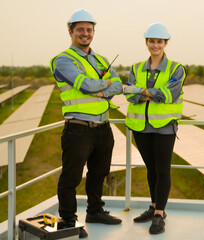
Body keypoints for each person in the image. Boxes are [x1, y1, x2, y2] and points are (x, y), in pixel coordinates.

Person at [50, 9, 123, 238]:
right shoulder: (63, 60)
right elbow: (85, 86)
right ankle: (69, 221)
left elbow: (118, 84)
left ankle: (95, 211)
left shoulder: (100, 59)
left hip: (103, 128)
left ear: (93, 32)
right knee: (71, 177)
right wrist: (102, 87)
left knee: (98, 173)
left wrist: (104, 88)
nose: (85, 33)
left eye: (89, 29)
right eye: (80, 29)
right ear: (70, 31)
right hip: (78, 129)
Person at [124, 22, 186, 234]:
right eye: (152, 41)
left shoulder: (176, 69)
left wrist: (141, 91)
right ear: (146, 42)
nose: (155, 45)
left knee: (162, 169)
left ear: (165, 43)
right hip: (141, 127)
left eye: (159, 41)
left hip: (164, 127)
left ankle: (160, 214)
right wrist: (151, 92)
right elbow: (129, 95)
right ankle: (153, 206)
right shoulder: (136, 68)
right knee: (151, 169)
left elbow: (170, 94)